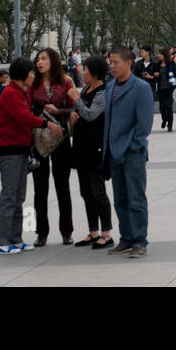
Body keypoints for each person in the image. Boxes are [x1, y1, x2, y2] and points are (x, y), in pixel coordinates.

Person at [0, 58, 59, 255]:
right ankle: (0, 241)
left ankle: (15, 238)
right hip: (10, 151)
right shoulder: (10, 93)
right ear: (23, 74)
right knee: (9, 195)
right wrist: (47, 124)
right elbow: (23, 117)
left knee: (18, 196)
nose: (34, 75)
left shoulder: (22, 91)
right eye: (31, 72)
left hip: (20, 149)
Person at [103, 46, 154, 258]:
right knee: (120, 198)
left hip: (132, 151)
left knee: (136, 198)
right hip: (113, 151)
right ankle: (126, 238)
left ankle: (140, 240)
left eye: (115, 62)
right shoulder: (110, 87)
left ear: (128, 63)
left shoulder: (141, 88)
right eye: (110, 62)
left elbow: (145, 124)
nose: (112, 66)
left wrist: (132, 144)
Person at [30, 47, 76, 247]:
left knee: (62, 185)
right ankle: (41, 232)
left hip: (61, 138)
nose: (40, 62)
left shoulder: (66, 82)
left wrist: (59, 110)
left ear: (53, 61)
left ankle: (66, 231)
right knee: (40, 188)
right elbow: (27, 108)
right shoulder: (32, 84)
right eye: (38, 59)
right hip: (39, 139)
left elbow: (77, 106)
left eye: (44, 59)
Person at [68, 55, 114, 250]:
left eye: (85, 69)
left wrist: (77, 101)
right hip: (81, 147)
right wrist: (73, 112)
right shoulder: (87, 89)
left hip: (94, 149)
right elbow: (81, 112)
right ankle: (93, 231)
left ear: (95, 72)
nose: (81, 72)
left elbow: (90, 114)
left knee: (98, 191)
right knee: (85, 192)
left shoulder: (102, 92)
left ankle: (106, 233)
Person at [155, 48, 176, 132]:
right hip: (161, 89)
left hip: (170, 89)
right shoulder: (157, 65)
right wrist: (155, 75)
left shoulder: (171, 64)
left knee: (169, 107)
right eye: (158, 54)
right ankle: (164, 119)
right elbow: (154, 75)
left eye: (160, 54)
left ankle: (170, 125)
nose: (158, 55)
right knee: (162, 108)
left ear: (164, 55)